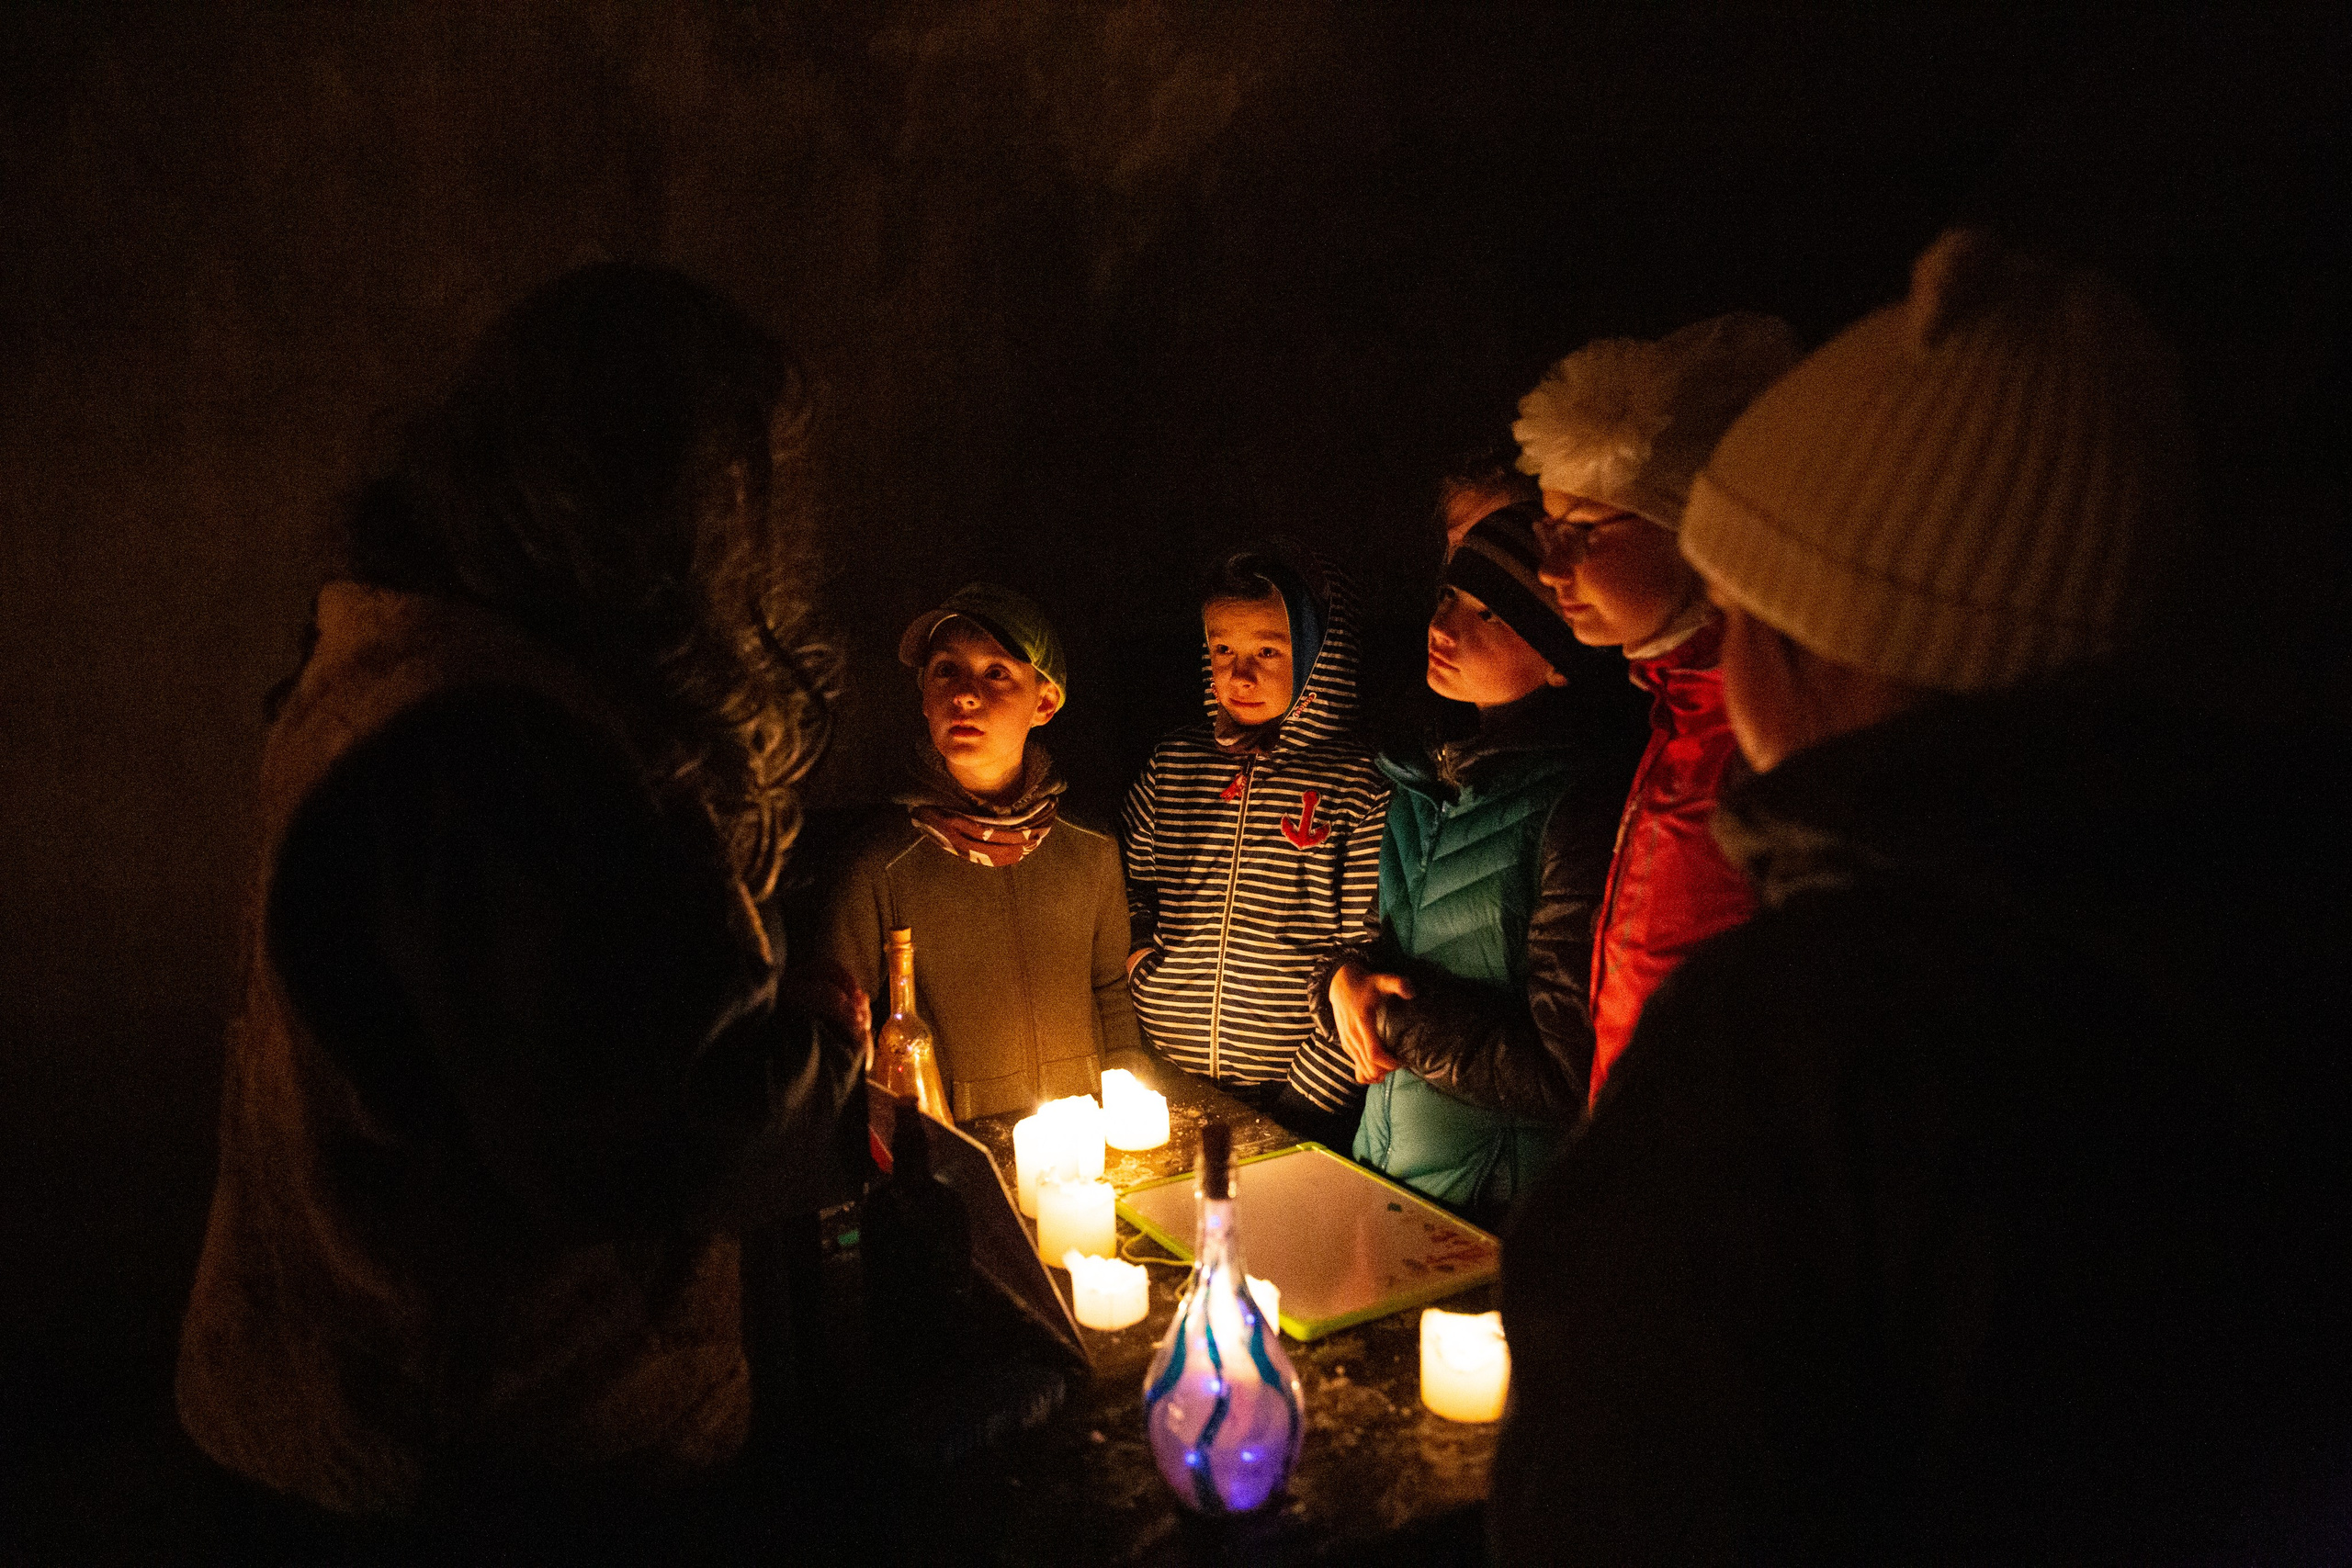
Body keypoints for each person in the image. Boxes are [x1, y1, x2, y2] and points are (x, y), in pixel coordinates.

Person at [1493, 231, 2352, 1563]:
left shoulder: (1794, 1041)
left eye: (1738, 598)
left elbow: (1625, 1493)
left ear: (1808, 633)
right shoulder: (2261, 951)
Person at [175, 265, 867, 1527]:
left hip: (374, 1416)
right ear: (657, 504)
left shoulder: (403, 657)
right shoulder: (487, 744)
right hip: (478, 1456)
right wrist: (823, 1065)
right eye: (737, 496)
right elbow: (652, 1126)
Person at [1321, 504, 1645, 1224]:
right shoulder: (1424, 779)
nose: (1442, 626)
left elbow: (1562, 1071)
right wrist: (1341, 979)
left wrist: (1390, 1016)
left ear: (1559, 660)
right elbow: (1388, 949)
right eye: (1447, 596)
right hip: (1394, 1174)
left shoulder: (1575, 808)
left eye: (1489, 613)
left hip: (1502, 1210)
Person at [1512, 312, 1803, 1106]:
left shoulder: (1763, 737)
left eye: (1582, 533)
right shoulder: (1677, 714)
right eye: (1546, 530)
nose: (1549, 569)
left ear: (1692, 525)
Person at [820, 583, 1141, 1120]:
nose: (966, 695)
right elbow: (837, 1031)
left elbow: (1110, 990)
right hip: (958, 1150)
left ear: (1044, 702)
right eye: (946, 670)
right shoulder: (881, 866)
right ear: (925, 697)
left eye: (996, 673)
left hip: (1083, 1144)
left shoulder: (1092, 852)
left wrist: (1125, 1110)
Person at [1122, 542, 1389, 1149]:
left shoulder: (1358, 783)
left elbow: (1364, 951)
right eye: (1224, 650)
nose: (1239, 675)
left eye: (1268, 650)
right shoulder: (1176, 764)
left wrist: (1302, 1108)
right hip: (1170, 1083)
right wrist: (1143, 961)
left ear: (1322, 654)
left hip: (1297, 1099)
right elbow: (1132, 879)